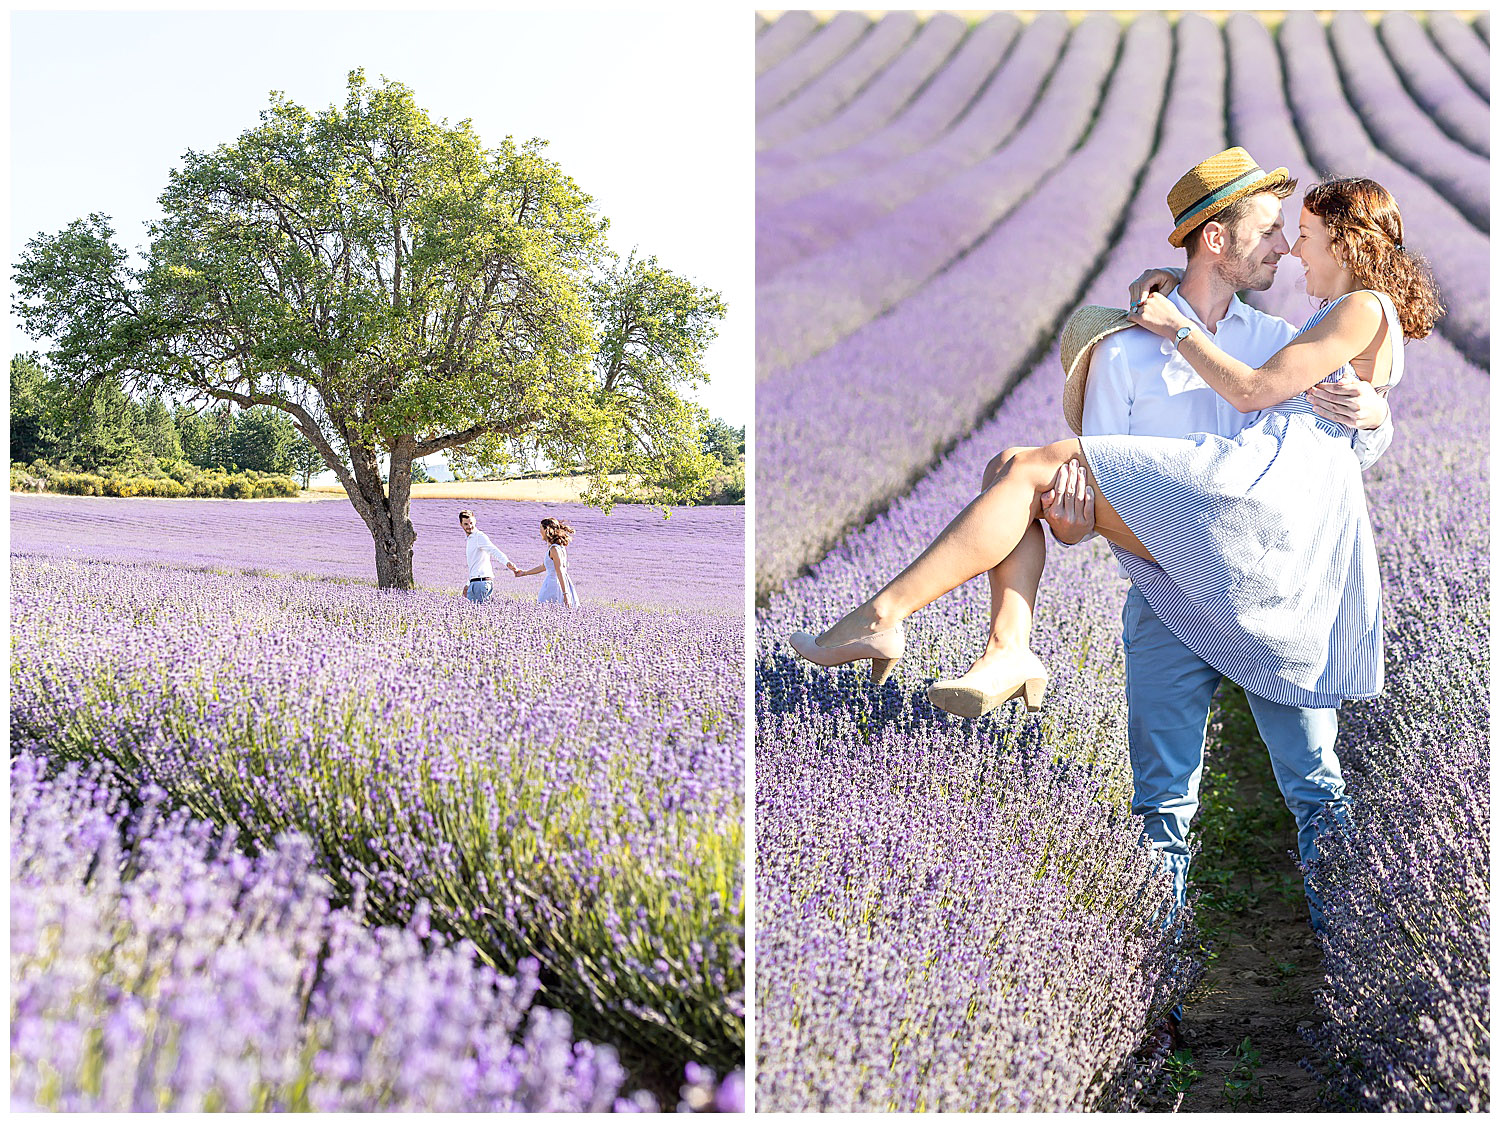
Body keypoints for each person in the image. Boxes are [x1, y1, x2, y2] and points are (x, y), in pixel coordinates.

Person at [788, 164, 1441, 935]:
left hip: (1259, 574)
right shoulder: (1123, 353)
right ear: (1214, 239)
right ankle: (1157, 990)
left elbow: (1336, 422)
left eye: (1293, 234)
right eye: (1271, 231)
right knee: (1160, 802)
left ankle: (922, 623)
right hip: (1168, 587)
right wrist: (1071, 522)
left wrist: (1374, 414)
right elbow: (1082, 505)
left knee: (1313, 784)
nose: (1286, 250)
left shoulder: (1278, 334)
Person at [458, 508, 520, 603]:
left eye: (471, 523)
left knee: (477, 614)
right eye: (466, 524)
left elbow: (494, 550)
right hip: (475, 582)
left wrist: (507, 562)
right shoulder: (470, 539)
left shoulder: (479, 536)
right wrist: (468, 584)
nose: (469, 526)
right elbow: (475, 565)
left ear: (475, 521)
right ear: (461, 525)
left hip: (481, 583)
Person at [514, 517, 579, 607]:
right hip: (558, 584)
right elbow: (544, 567)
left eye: (541, 528)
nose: (539, 531)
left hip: (554, 586)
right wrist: (524, 573)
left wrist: (565, 594)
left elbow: (559, 572)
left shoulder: (554, 549)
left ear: (546, 530)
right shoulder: (557, 547)